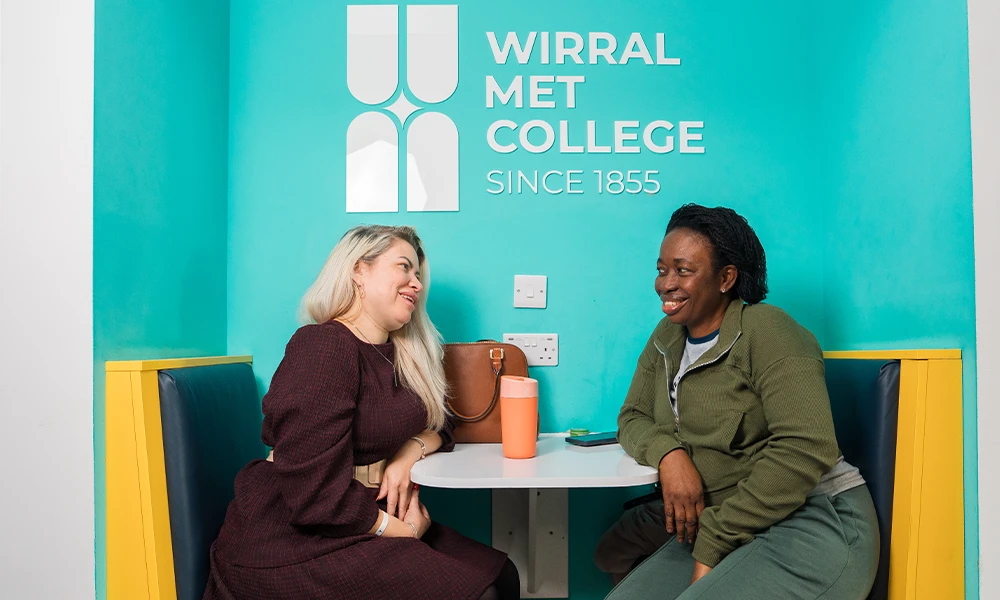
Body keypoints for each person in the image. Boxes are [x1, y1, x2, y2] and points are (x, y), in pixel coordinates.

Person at [204, 225, 519, 600]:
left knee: (502, 574)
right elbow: (314, 496)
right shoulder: (324, 346)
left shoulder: (405, 356)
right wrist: (403, 531)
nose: (416, 284)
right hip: (288, 537)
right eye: (404, 267)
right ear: (358, 270)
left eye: (418, 275)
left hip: (353, 513)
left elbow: (443, 420)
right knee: (482, 593)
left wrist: (408, 454)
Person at [594, 205, 878, 599]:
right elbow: (632, 417)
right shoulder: (667, 336)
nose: (666, 284)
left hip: (811, 516)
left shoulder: (768, 330)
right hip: (721, 518)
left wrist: (714, 539)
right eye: (662, 270)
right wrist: (669, 455)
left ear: (726, 277)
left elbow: (805, 448)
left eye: (683, 270)